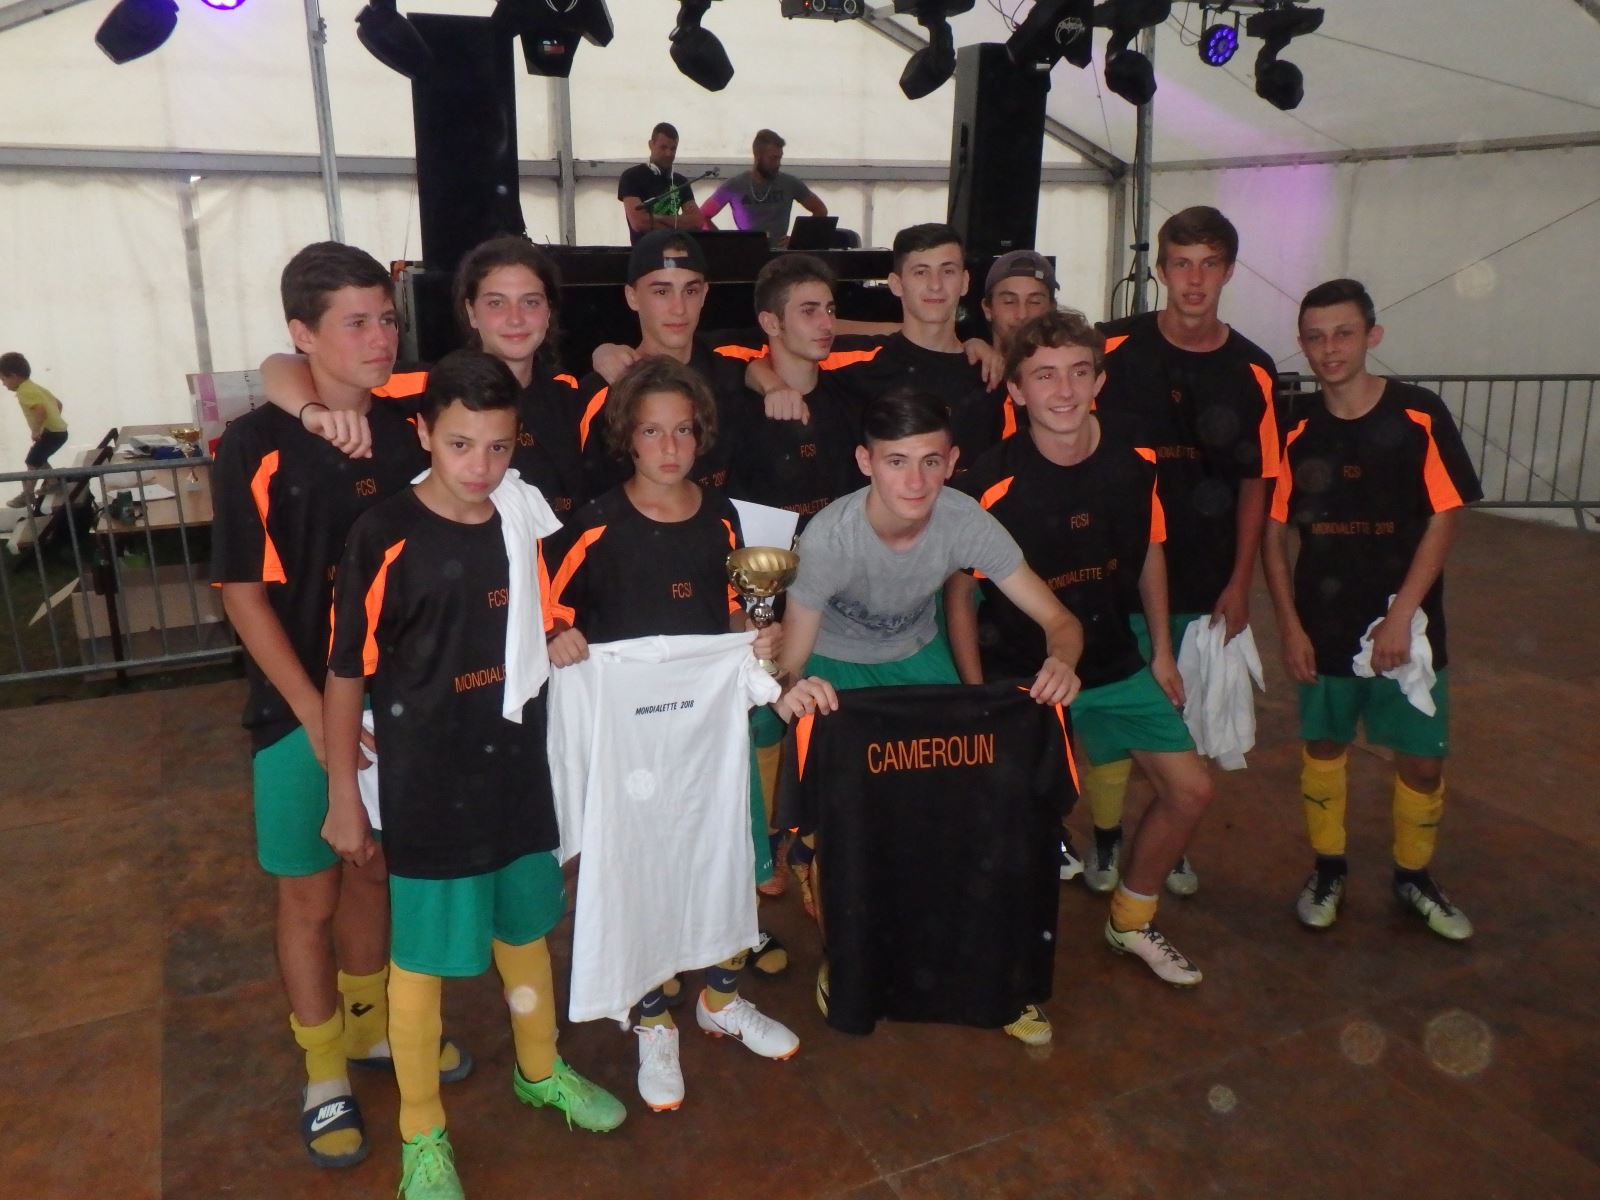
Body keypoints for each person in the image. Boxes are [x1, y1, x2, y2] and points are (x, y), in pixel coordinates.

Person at [324, 350, 624, 1200]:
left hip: (517, 768)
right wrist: (344, 793)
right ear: (424, 433)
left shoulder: (521, 518)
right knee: (420, 962)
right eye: (460, 445)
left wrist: (559, 630)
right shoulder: (384, 534)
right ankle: (422, 1133)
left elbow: (542, 614)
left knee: (525, 931)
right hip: (429, 781)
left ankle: (541, 1068)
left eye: (498, 447)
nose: (480, 467)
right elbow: (346, 670)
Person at [211, 242, 468, 1171]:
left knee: (374, 871)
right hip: (296, 711)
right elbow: (243, 594)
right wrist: (316, 714)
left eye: (386, 318)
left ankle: (368, 1028)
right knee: (309, 891)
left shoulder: (409, 421)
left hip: (398, 703)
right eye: (354, 322)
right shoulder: (255, 444)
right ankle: (323, 1074)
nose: (379, 337)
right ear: (303, 334)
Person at [775, 388, 1084, 1043]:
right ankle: (844, 954)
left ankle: (987, 972)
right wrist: (788, 694)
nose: (915, 481)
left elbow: (1060, 620)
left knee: (961, 808)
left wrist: (1062, 661)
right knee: (855, 828)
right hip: (836, 666)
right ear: (865, 461)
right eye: (896, 462)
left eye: (930, 462)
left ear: (951, 460)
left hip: (918, 657)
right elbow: (791, 663)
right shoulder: (829, 538)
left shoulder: (964, 520)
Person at [544, 355, 807, 1112]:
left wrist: (755, 635)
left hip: (708, 733)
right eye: (653, 432)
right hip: (630, 741)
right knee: (644, 875)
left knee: (724, 859)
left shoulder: (724, 518)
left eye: (684, 431)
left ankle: (720, 1001)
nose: (669, 447)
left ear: (702, 435)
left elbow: (737, 609)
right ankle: (652, 1018)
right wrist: (557, 635)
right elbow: (545, 610)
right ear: (627, 437)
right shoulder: (593, 525)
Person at [949, 310, 1214, 987]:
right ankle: (1003, 949)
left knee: (1190, 789)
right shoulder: (989, 482)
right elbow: (959, 595)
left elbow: (1150, 552)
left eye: (1077, 372)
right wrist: (977, 695)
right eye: (1043, 376)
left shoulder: (1135, 461)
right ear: (1016, 391)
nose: (1063, 391)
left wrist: (1160, 651)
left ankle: (1130, 921)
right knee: (1022, 823)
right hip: (1024, 676)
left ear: (1099, 380)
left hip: (1115, 661)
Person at [1264, 279, 1482, 941]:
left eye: (1344, 333)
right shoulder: (1293, 425)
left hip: (1409, 627)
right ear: (1302, 344)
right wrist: (1291, 627)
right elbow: (1273, 534)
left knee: (1422, 761)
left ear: (1372, 336)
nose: (1330, 349)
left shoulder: (1418, 414)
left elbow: (1445, 516)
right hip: (1322, 625)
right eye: (1315, 337)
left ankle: (1413, 876)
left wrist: (1400, 616)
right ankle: (1328, 870)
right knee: (1325, 745)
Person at [1086, 206, 1279, 898]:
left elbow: (1258, 482)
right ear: (1162, 271)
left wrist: (1241, 582)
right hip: (1114, 571)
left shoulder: (1253, 369)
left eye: (1209, 264)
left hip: (1203, 577)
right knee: (1111, 713)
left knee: (1182, 716)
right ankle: (1107, 836)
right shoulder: (1109, 348)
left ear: (1228, 271)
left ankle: (1171, 837)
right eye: (1181, 264)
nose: (1194, 280)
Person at [260, 236, 589, 521]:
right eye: (496, 303)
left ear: (549, 310)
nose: (515, 319)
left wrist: (606, 352)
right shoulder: (434, 386)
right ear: (471, 312)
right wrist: (311, 410)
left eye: (531, 302)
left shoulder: (571, 395)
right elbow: (283, 365)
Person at [574, 230, 751, 496]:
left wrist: (772, 383)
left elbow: (794, 335)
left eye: (690, 290)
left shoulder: (733, 363)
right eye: (661, 291)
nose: (679, 308)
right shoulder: (602, 392)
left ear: (704, 294)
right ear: (632, 297)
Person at [979, 249, 1060, 441]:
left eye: (1035, 302)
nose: (1022, 314)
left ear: (1052, 309)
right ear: (988, 309)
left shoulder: (1066, 382)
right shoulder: (969, 374)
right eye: (1009, 301)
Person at [700, 129, 827, 247]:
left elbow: (820, 210)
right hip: (747, 253)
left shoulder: (790, 183)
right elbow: (702, 216)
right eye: (773, 158)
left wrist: (799, 238)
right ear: (758, 156)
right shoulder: (734, 185)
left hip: (780, 254)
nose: (778, 164)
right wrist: (723, 242)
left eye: (779, 158)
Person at [617, 122, 707, 244]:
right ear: (651, 145)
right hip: (645, 252)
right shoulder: (631, 177)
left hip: (676, 251)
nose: (669, 154)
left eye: (673, 149)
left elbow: (697, 222)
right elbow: (639, 223)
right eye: (663, 147)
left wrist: (656, 218)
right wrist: (678, 224)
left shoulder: (681, 181)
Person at [1, 352, 68, 510]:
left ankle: (27, 494)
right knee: (39, 457)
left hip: (51, 433)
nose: (3, 384)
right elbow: (58, 404)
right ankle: (53, 483)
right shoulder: (35, 387)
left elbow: (40, 409)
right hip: (58, 431)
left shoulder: (24, 391)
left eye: (3, 379)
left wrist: (36, 430)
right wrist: (55, 420)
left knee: (32, 461)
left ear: (14, 376)